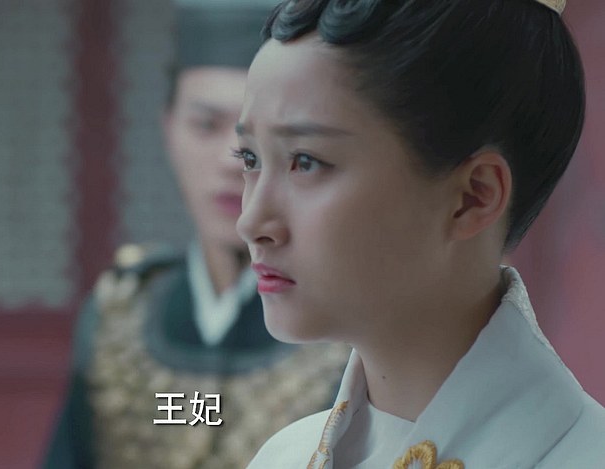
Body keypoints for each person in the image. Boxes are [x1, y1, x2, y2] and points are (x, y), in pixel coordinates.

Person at [234, 0, 605, 467]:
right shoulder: (283, 456)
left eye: (306, 162)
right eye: (249, 159)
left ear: (473, 197)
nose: (251, 223)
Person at [42, 2, 350, 468]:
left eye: (261, 136)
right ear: (168, 128)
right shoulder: (121, 313)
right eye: (206, 124)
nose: (232, 159)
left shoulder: (349, 333)